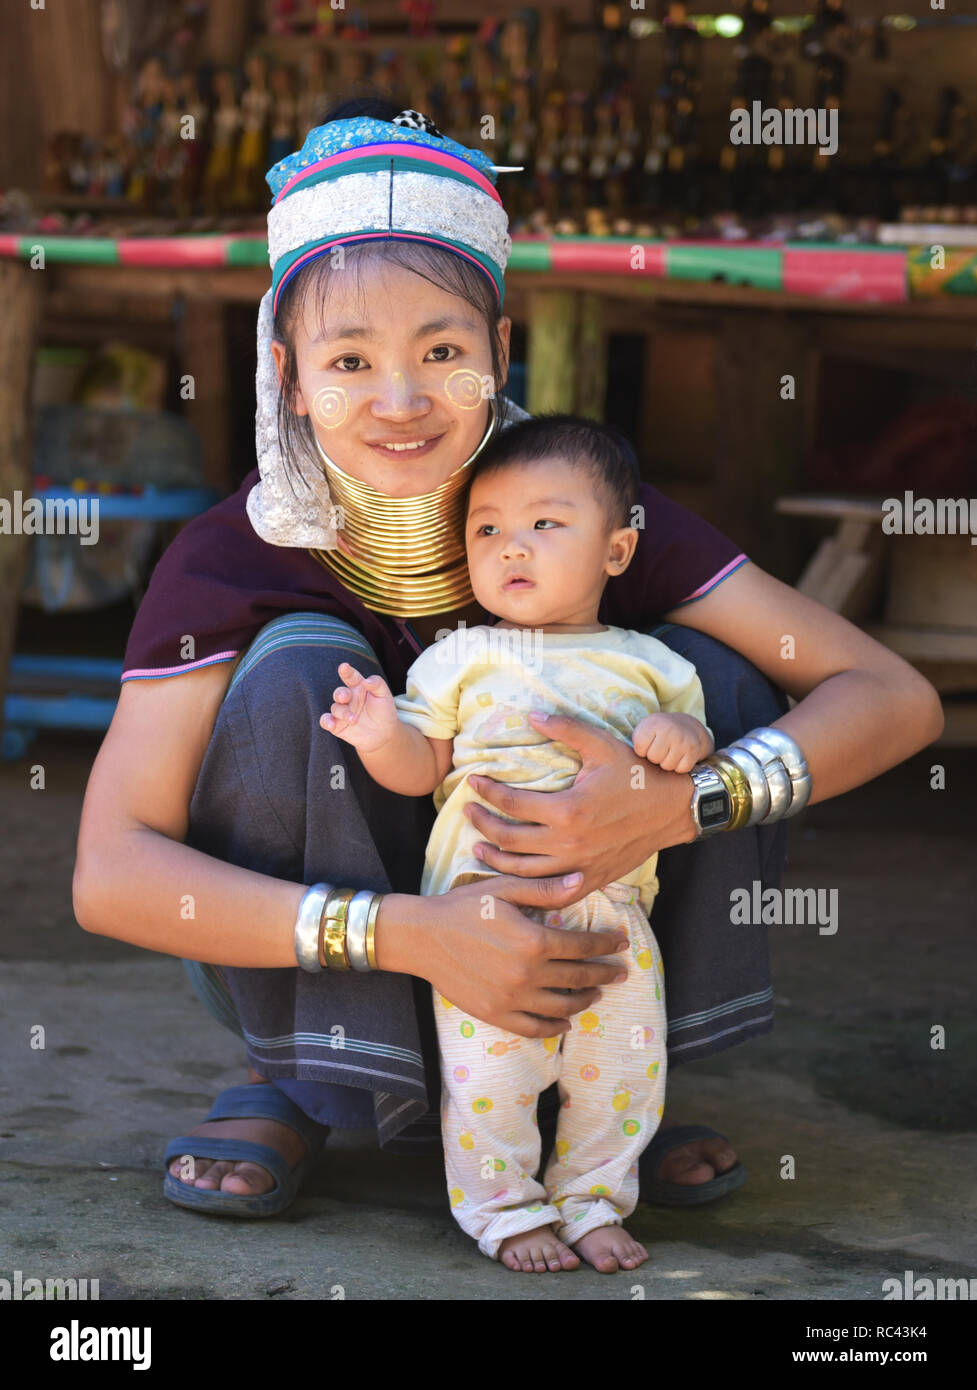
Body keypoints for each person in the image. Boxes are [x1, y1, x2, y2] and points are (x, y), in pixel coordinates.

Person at [73, 100, 944, 1242]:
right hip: (355, 944)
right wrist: (408, 932)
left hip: (590, 933)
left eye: (442, 350)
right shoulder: (228, 561)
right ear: (284, 376)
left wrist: (677, 806)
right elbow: (108, 871)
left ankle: (609, 1088)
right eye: (348, 360)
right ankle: (309, 1076)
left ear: (499, 347)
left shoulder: (580, 511)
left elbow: (890, 697)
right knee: (297, 674)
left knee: (709, 680)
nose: (400, 401)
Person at [323, 414, 718, 1274]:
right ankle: (503, 1211)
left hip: (612, 910)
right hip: (481, 908)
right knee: (491, 1080)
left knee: (621, 1074)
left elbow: (689, 749)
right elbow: (418, 765)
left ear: (615, 552)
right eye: (488, 528)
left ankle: (591, 1199)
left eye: (545, 523)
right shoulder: (455, 659)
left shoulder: (651, 663)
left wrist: (676, 740)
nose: (512, 546)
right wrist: (375, 730)